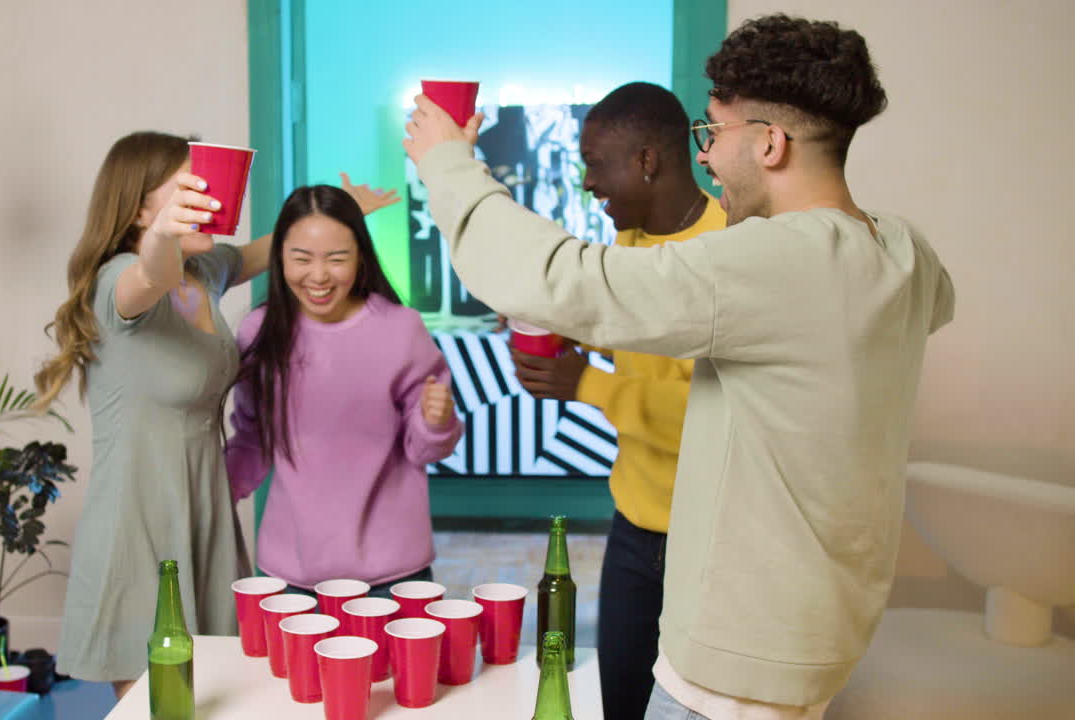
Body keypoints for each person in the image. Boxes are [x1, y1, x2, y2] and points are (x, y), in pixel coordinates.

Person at [403, 14, 955, 719]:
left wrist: (448, 163)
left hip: (730, 674)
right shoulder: (903, 251)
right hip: (819, 637)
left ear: (769, 142)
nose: (707, 158)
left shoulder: (775, 260)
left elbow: (560, 281)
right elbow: (913, 309)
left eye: (713, 135)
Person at [33, 131, 397, 698]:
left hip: (205, 510)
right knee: (160, 704)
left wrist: (346, 216)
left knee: (222, 691)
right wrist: (163, 236)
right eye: (188, 187)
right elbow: (149, 273)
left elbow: (265, 249)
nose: (207, 196)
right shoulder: (120, 281)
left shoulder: (202, 272)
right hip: (138, 523)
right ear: (139, 208)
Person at [510, 82, 725, 720]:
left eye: (597, 164)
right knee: (620, 699)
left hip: (709, 534)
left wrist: (586, 384)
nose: (587, 183)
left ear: (648, 160)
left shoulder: (728, 252)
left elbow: (711, 418)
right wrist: (565, 326)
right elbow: (629, 328)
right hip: (635, 524)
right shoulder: (627, 244)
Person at [226, 185, 463, 599]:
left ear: (360, 258)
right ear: (279, 256)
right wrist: (206, 499)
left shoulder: (400, 328)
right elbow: (251, 441)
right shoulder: (258, 333)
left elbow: (426, 449)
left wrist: (437, 422)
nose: (318, 276)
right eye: (301, 259)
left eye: (337, 259)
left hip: (393, 576)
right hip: (290, 575)